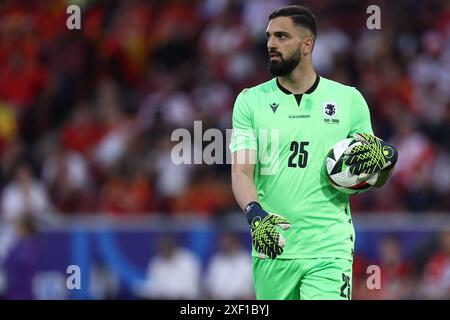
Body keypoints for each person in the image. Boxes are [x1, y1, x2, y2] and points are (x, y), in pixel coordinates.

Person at [230, 5, 398, 300]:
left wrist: (386, 162)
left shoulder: (349, 100)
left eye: (282, 36)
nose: (271, 44)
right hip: (273, 246)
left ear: (307, 45)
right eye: (269, 36)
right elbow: (242, 171)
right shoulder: (249, 102)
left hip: (328, 247)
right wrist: (254, 215)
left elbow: (369, 175)